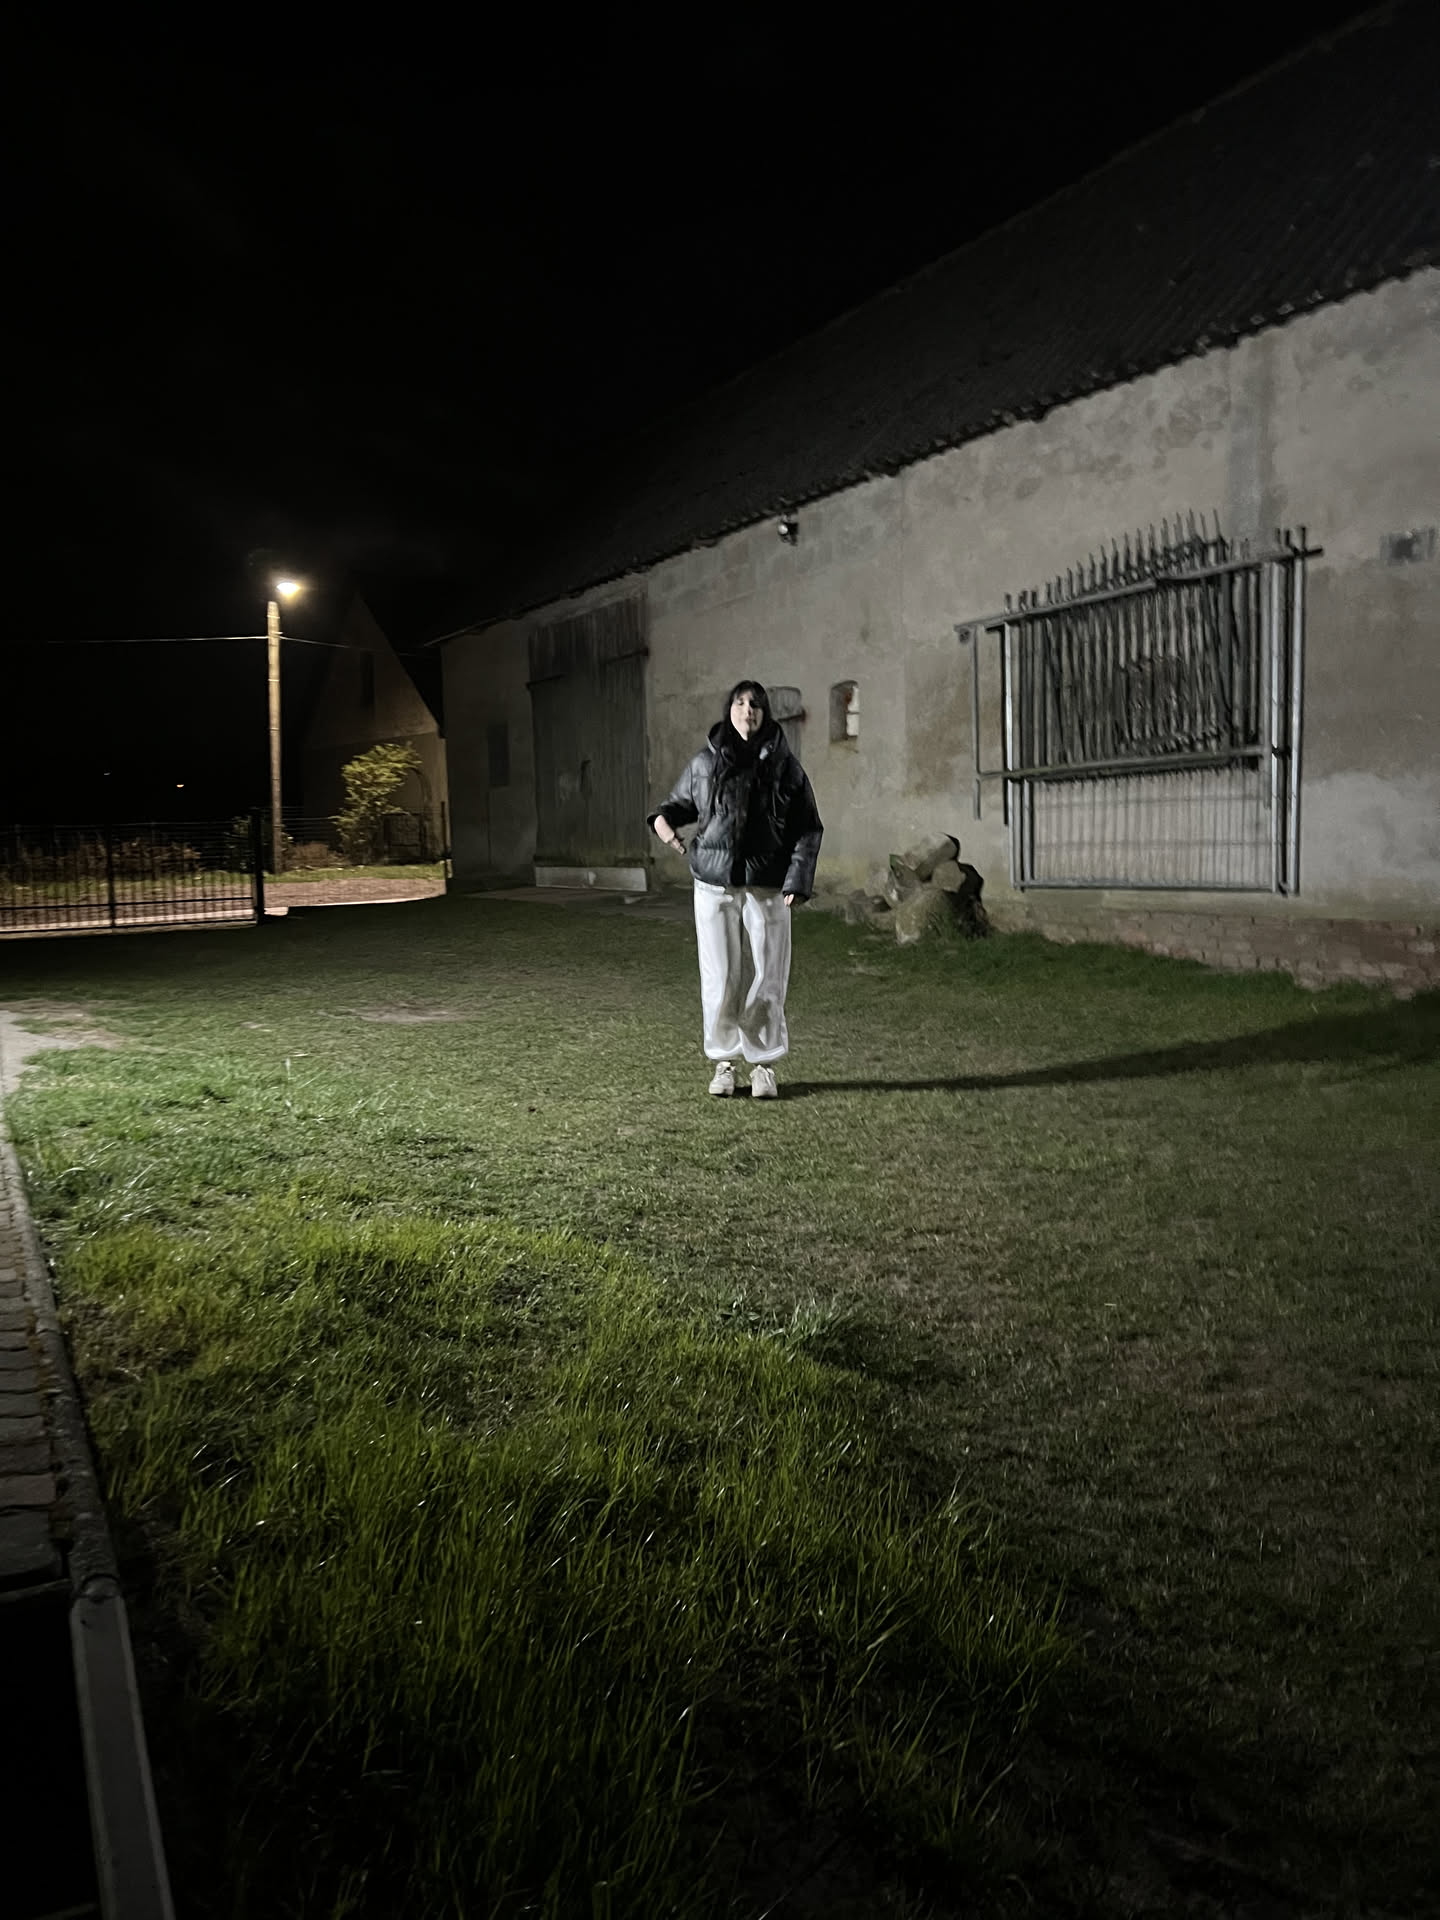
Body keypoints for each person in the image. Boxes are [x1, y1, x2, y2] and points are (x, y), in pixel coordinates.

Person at [649, 680, 823, 1099]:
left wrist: (798, 879)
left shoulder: (785, 766)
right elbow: (677, 807)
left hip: (768, 885)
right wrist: (664, 825)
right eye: (740, 703)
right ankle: (724, 1061)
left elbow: (807, 827)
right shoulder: (704, 763)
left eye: (756, 704)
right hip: (714, 884)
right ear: (729, 709)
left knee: (769, 976)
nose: (748, 710)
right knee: (720, 976)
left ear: (765, 714)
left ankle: (763, 1065)